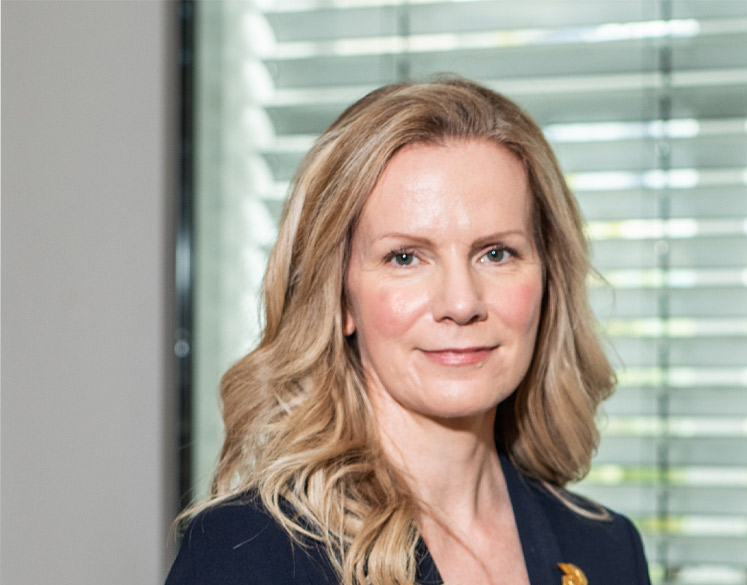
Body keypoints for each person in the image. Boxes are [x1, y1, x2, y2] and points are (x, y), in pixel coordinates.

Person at [166, 76, 651, 585]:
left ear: (549, 277)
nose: (462, 303)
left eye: (496, 253)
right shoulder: (249, 554)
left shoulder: (607, 549)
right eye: (405, 257)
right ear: (340, 297)